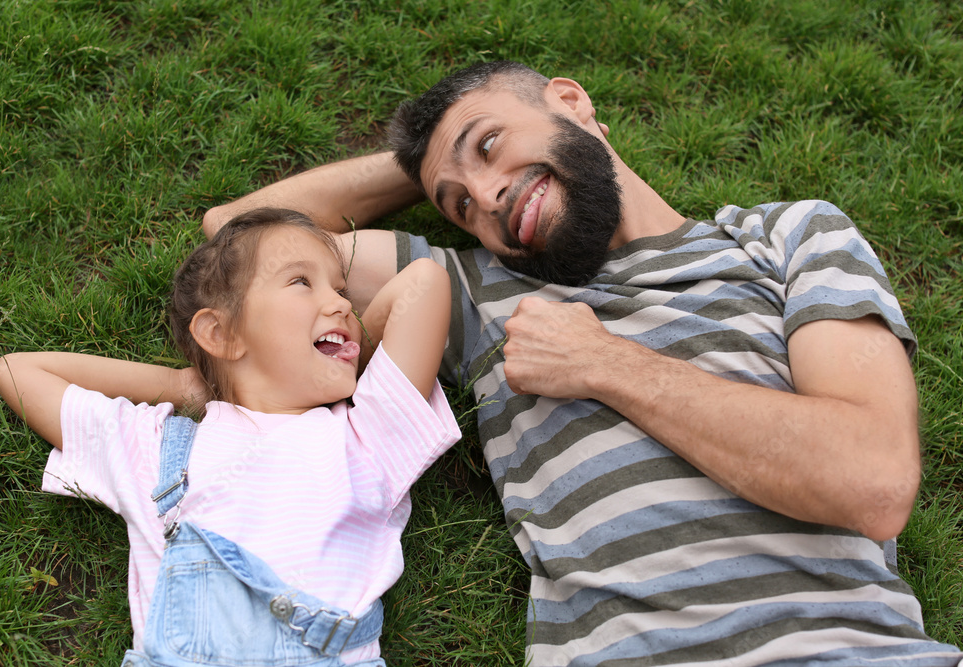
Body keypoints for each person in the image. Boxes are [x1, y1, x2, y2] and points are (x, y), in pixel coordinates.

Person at [202, 63, 963, 666]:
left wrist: (606, 363)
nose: (487, 196)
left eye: (491, 144)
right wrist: (429, 161)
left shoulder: (786, 240)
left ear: (570, 99)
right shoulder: (476, 293)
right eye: (460, 206)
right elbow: (237, 237)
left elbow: (872, 480)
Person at [0, 208, 460, 666]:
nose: (342, 303)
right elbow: (19, 372)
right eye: (302, 282)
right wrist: (179, 387)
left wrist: (357, 347)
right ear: (220, 332)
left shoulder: (368, 434)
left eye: (341, 290)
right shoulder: (158, 450)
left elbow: (425, 282)